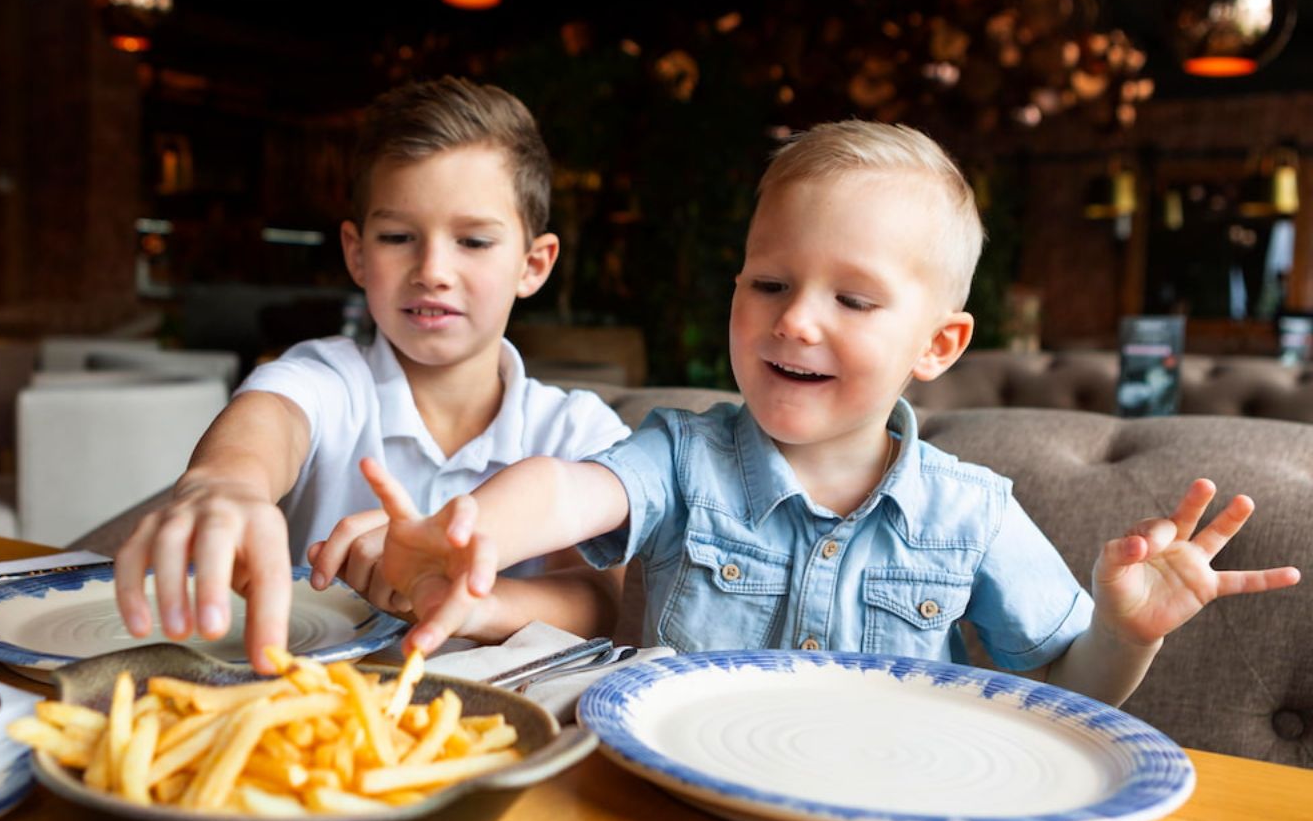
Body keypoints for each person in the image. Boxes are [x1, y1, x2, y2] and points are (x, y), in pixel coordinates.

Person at [354, 120, 1301, 705]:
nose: (795, 319)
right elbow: (570, 491)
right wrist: (467, 529)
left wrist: (1126, 635)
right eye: (769, 282)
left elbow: (1065, 690)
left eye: (852, 301)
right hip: (676, 789)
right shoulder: (683, 456)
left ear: (938, 345)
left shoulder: (971, 514)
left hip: (888, 810)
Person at [113, 77, 630, 672]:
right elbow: (270, 419)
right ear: (357, 254)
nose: (433, 270)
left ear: (532, 265)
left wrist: (464, 606)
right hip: (309, 716)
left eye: (473, 241)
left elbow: (605, 597)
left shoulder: (574, 429)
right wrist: (223, 484)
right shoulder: (329, 379)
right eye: (398, 237)